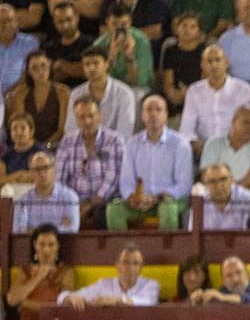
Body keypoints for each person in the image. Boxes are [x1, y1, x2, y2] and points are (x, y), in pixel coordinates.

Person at [111, 95, 192, 231]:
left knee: (167, 209)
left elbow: (184, 185)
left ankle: (166, 252)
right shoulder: (132, 144)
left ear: (166, 115)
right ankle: (124, 251)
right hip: (140, 201)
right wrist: (133, 197)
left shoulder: (180, 144)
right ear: (142, 115)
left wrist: (157, 198)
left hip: (169, 200)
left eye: (158, 110)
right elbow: (126, 182)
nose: (153, 114)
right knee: (113, 209)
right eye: (148, 110)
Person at [56, 95, 124, 229]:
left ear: (100, 116)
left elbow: (114, 178)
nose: (87, 121)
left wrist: (92, 203)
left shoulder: (114, 140)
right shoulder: (67, 141)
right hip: (74, 201)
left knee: (102, 212)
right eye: (81, 117)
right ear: (75, 119)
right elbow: (59, 179)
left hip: (105, 200)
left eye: (91, 116)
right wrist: (72, 204)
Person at [179, 44, 250, 156]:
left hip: (234, 148)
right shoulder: (194, 91)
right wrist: (195, 143)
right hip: (202, 149)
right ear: (202, 65)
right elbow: (187, 126)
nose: (214, 65)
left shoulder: (242, 89)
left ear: (226, 62)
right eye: (209, 61)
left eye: (218, 60)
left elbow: (244, 126)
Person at [58, 244, 159, 308]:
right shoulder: (103, 284)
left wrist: (116, 301)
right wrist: (70, 298)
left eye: (136, 263)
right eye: (125, 262)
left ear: (141, 267)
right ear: (117, 265)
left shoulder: (151, 285)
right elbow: (62, 297)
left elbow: (147, 302)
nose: (131, 268)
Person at [5, 49, 69, 147]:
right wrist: (33, 147)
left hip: (54, 144)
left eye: (43, 66)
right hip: (26, 144)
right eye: (34, 68)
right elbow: (20, 125)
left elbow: (61, 130)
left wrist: (46, 146)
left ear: (49, 65)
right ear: (29, 71)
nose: (40, 71)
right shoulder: (20, 94)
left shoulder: (62, 92)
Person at [200, 105, 250, 192]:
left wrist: (228, 193)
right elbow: (206, 175)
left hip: (244, 198)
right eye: (246, 122)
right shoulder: (213, 143)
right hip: (213, 195)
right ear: (233, 121)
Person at [12, 150, 79, 233]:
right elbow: (18, 231)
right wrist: (59, 228)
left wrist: (33, 230)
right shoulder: (23, 201)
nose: (42, 173)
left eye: (46, 168)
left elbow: (72, 229)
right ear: (31, 173)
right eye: (37, 169)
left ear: (54, 169)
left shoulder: (69, 197)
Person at [44, 1, 94, 88]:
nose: (65, 25)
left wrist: (60, 65)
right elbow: (46, 76)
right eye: (60, 21)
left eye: (69, 19)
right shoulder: (48, 47)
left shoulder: (91, 43)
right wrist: (74, 68)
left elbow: (89, 70)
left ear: (77, 17)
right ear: (54, 23)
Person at [161, 13, 205, 112]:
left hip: (199, 97)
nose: (187, 30)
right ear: (177, 29)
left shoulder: (205, 52)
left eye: (192, 27)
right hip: (175, 97)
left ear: (199, 32)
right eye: (184, 25)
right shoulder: (170, 51)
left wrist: (189, 94)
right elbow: (168, 81)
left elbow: (205, 80)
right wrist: (174, 94)